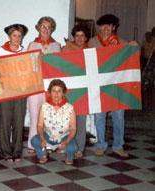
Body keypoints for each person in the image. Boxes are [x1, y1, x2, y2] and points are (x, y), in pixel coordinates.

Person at [88, 14, 139, 158]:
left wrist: (135, 47)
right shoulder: (93, 42)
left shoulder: (122, 42)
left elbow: (133, 58)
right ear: (99, 27)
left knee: (118, 116)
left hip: (117, 85)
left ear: (114, 27)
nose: (105, 28)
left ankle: (118, 145)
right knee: (99, 116)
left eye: (109, 25)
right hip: (99, 85)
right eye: (103, 25)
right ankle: (100, 144)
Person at [0, 24, 28, 162]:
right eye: (14, 35)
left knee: (19, 120)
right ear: (9, 36)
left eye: (19, 36)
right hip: (5, 91)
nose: (17, 38)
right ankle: (6, 152)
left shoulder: (24, 52)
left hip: (20, 91)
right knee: (5, 120)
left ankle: (17, 151)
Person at [27, 16, 61, 154]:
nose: (45, 30)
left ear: (51, 29)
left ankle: (48, 143)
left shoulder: (56, 46)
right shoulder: (32, 45)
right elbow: (27, 66)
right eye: (43, 27)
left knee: (49, 115)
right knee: (35, 114)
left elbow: (59, 67)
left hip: (50, 87)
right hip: (35, 86)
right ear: (38, 28)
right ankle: (32, 143)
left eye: (48, 27)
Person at [31, 79, 78, 165]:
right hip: (49, 136)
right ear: (50, 92)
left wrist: (67, 141)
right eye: (54, 91)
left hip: (64, 136)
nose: (56, 94)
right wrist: (42, 138)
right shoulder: (44, 106)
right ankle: (43, 154)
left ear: (63, 93)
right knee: (34, 140)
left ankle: (69, 156)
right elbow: (40, 125)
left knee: (73, 147)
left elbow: (73, 129)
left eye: (59, 91)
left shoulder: (70, 108)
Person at [62, 25, 89, 158]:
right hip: (69, 89)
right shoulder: (66, 49)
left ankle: (79, 147)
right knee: (66, 119)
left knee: (81, 120)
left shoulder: (90, 52)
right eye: (77, 35)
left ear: (86, 38)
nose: (79, 38)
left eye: (82, 36)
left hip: (83, 90)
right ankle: (65, 144)